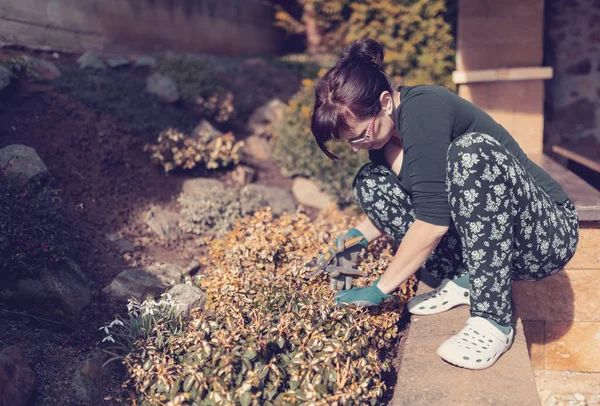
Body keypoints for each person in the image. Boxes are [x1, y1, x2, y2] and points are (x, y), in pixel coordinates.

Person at [310, 38, 579, 370]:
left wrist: (380, 289)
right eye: (349, 141)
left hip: (544, 233)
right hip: (493, 243)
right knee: (371, 182)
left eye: (360, 136)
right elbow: (418, 199)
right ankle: (467, 279)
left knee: (470, 152)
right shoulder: (383, 139)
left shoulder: (423, 108)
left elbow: (433, 220)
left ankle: (493, 319)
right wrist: (354, 239)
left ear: (385, 102)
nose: (356, 147)